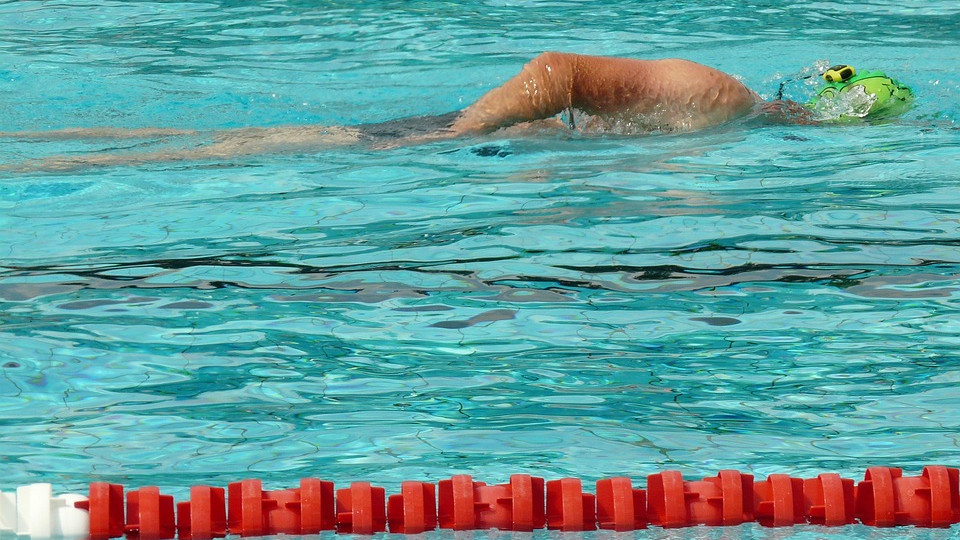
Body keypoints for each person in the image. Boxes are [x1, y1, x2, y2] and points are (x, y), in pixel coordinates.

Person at [1, 53, 913, 172]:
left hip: (490, 123)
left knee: (256, 144)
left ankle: (43, 149)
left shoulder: (728, 120)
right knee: (243, 151)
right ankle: (44, 165)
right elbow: (559, 69)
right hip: (486, 118)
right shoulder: (720, 97)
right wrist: (472, 130)